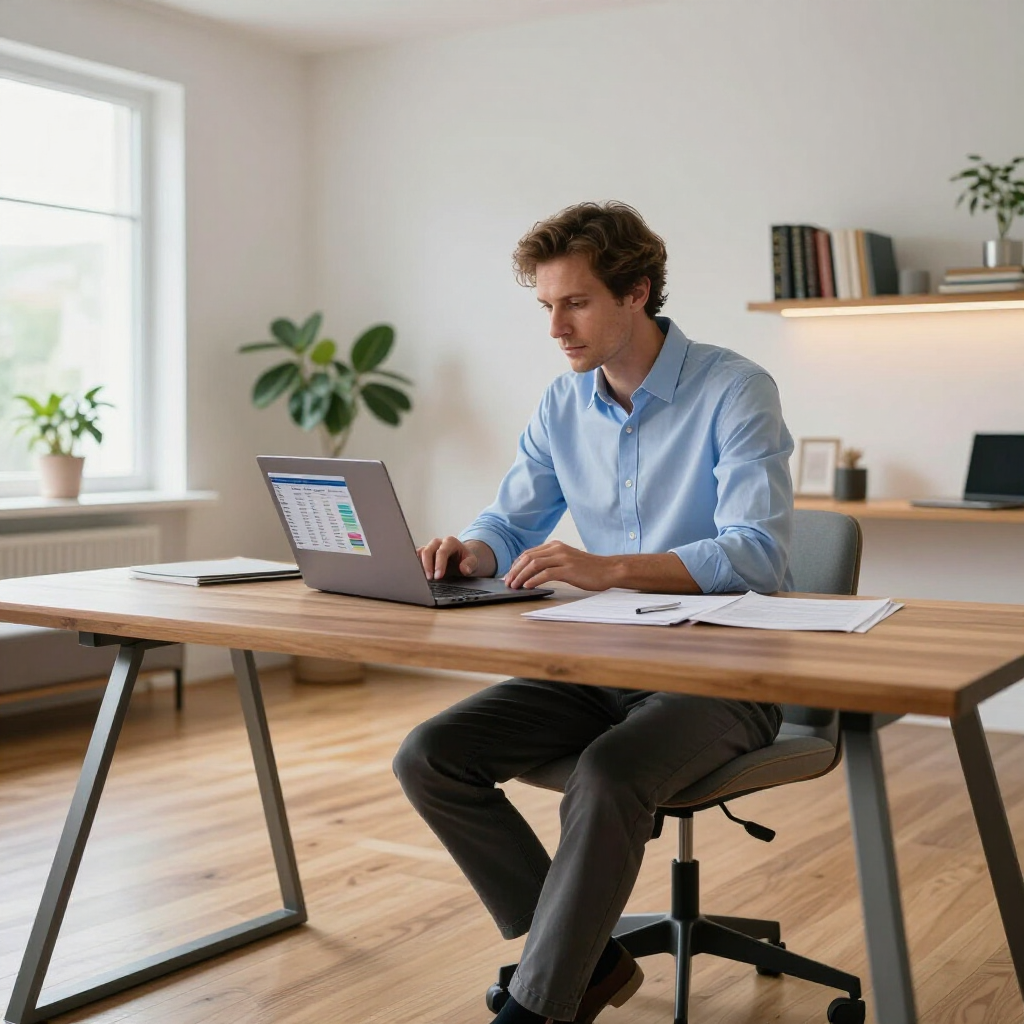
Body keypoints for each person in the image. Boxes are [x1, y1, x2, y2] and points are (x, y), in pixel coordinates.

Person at [392, 201, 794, 1024]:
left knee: (608, 773)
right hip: (600, 665)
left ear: (635, 293)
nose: (556, 328)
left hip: (725, 674)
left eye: (574, 303)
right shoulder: (562, 403)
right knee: (431, 756)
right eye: (547, 306)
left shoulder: (735, 388)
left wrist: (608, 567)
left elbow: (756, 553)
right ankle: (591, 960)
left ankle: (540, 1005)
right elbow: (510, 522)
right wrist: (473, 551)